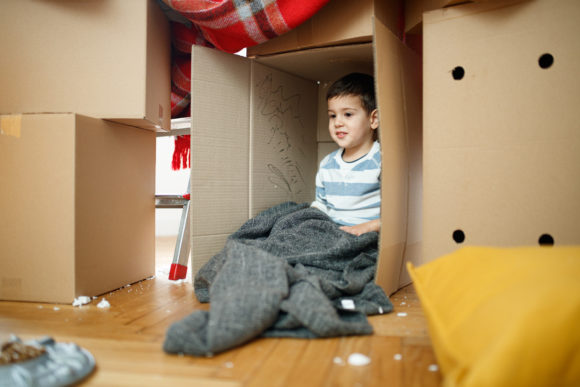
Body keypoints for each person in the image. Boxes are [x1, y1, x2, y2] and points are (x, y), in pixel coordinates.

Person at [311, 72, 381, 236]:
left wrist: (366, 228)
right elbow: (321, 205)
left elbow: (398, 213)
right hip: (333, 233)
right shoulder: (327, 164)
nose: (338, 123)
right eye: (332, 116)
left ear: (373, 120)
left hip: (367, 235)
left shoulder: (382, 161)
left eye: (348, 114)